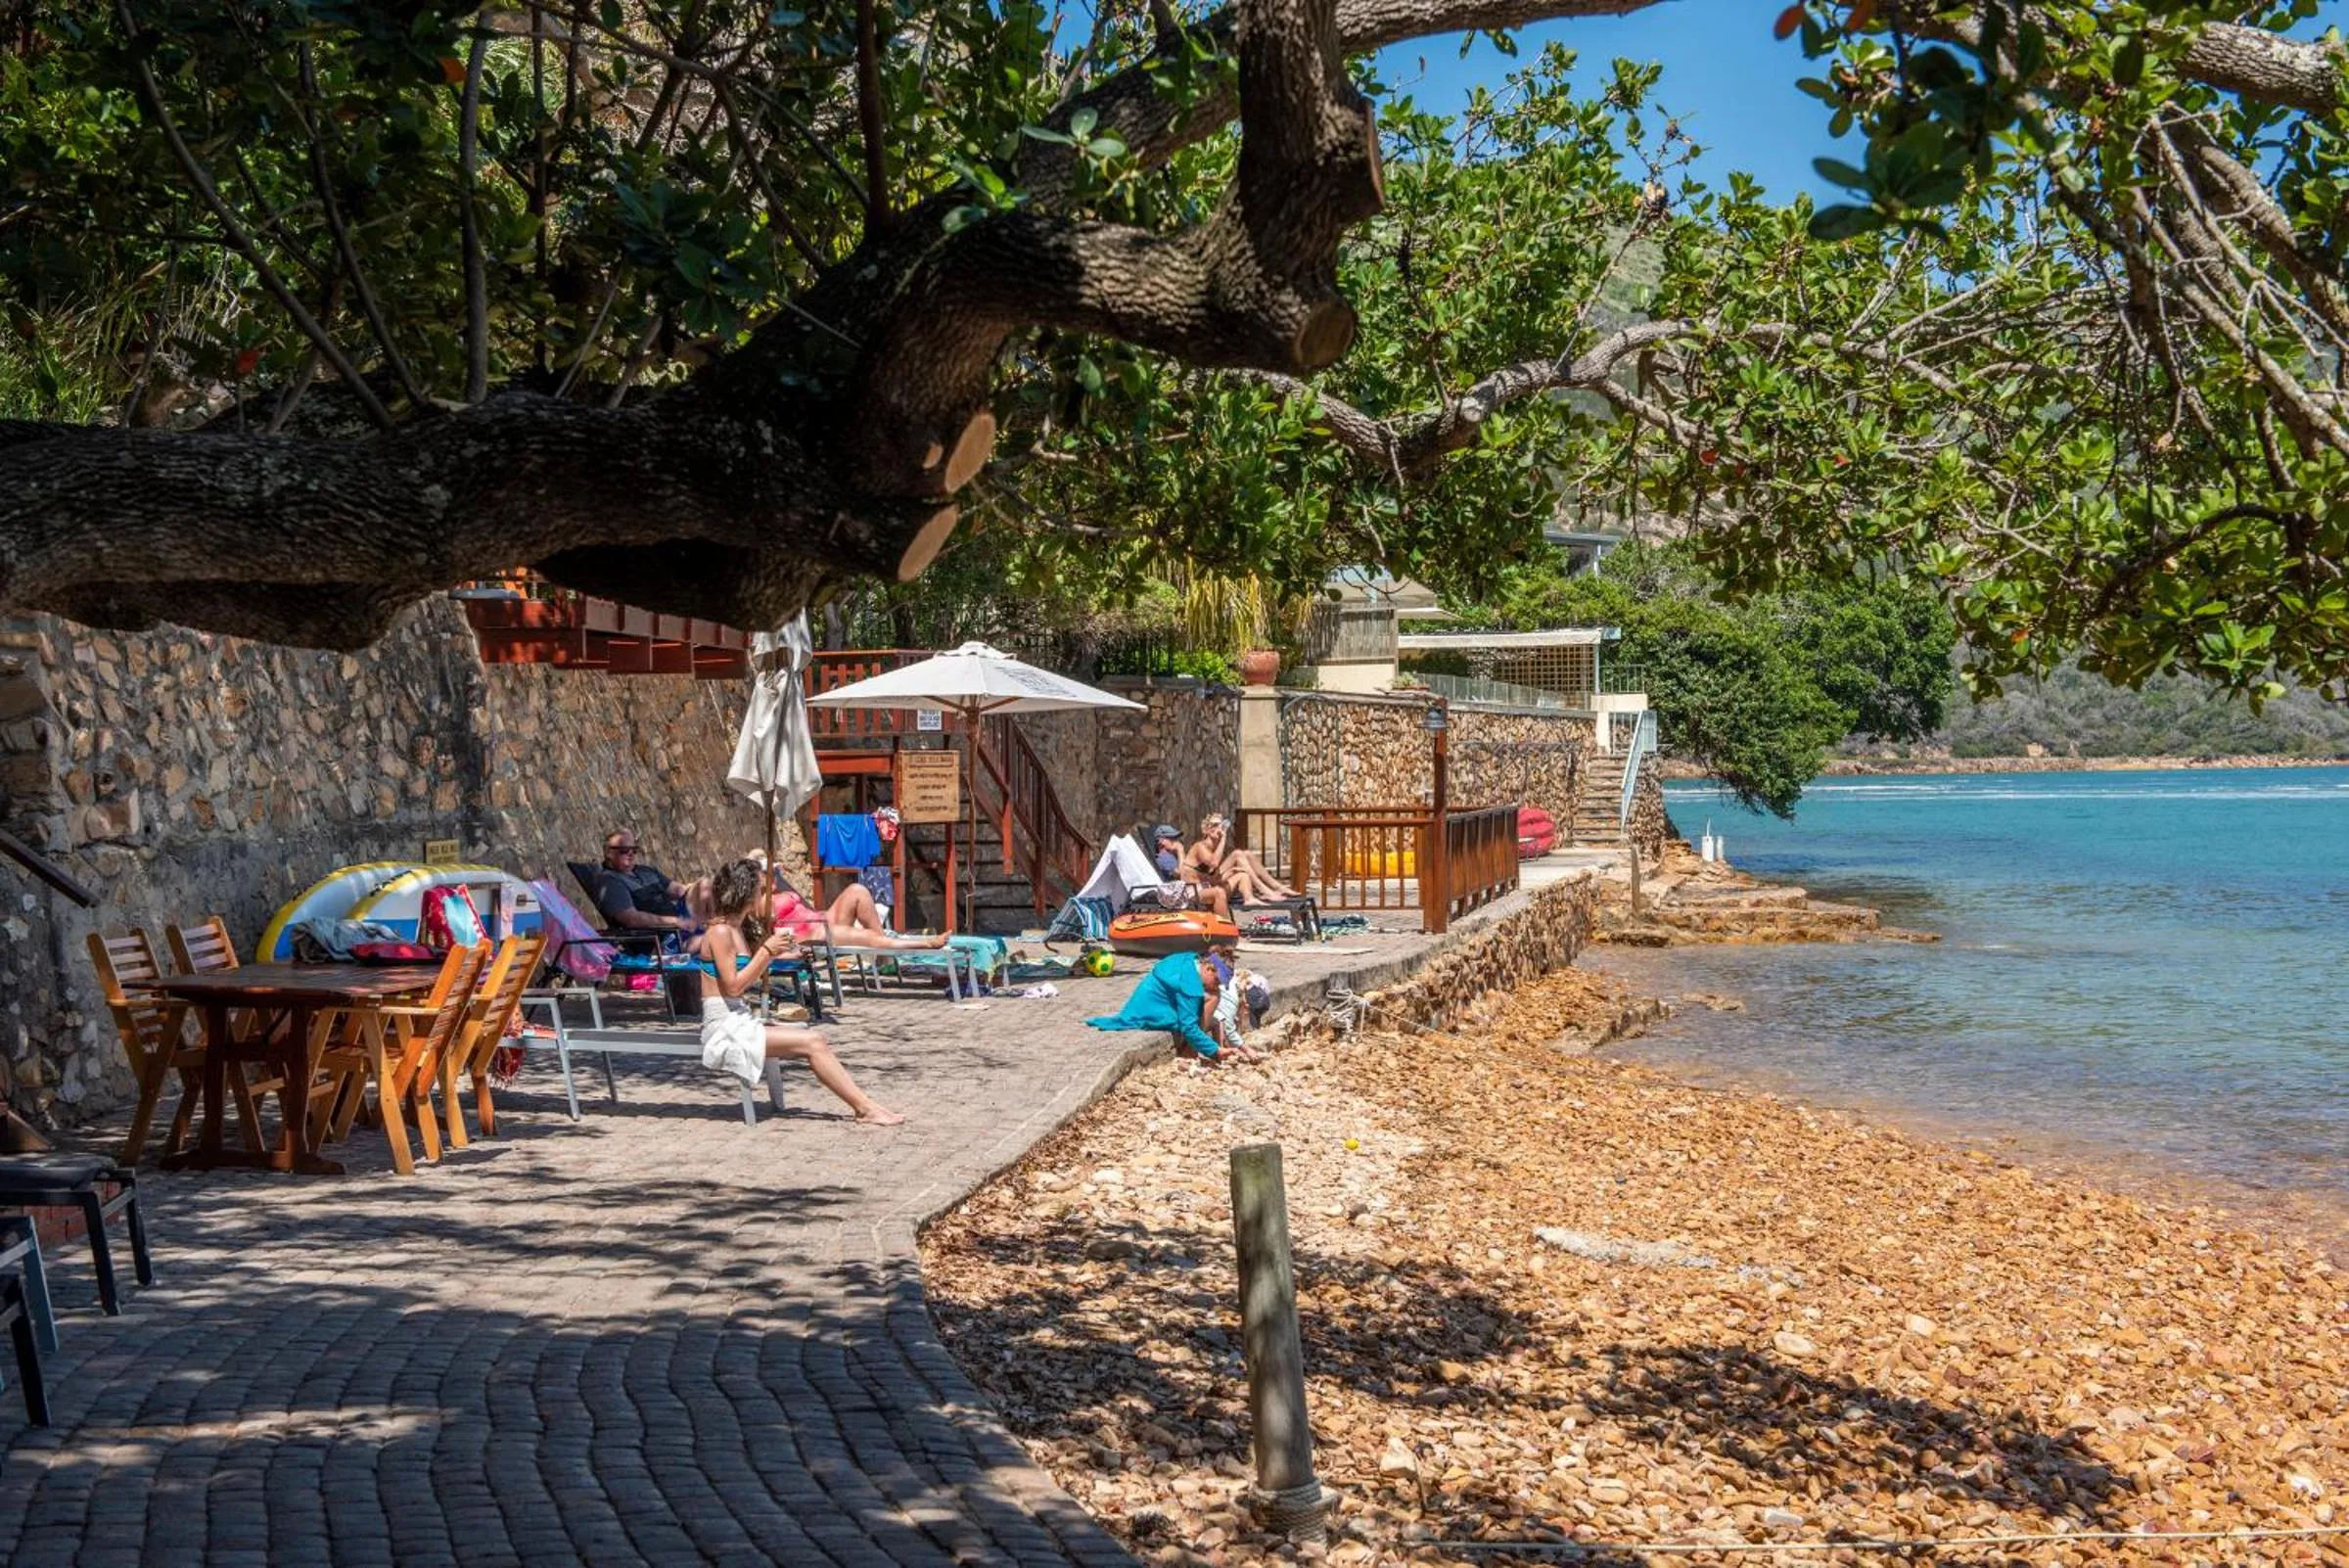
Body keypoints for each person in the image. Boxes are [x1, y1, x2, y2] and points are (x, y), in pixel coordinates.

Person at [699, 858, 904, 1125]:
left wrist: (780, 954)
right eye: (762, 891)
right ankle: (865, 1109)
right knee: (813, 1041)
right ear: (745, 893)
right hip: (723, 1027)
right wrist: (767, 951)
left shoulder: (737, 929)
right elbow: (734, 986)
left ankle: (866, 1105)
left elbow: (749, 973)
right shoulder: (720, 931)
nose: (766, 896)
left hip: (738, 1018)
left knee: (811, 1036)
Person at [755, 853, 946, 951]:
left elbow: (757, 853)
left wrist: (766, 865)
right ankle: (925, 944)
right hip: (811, 933)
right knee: (869, 937)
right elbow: (769, 921)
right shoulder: (757, 901)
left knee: (857, 890)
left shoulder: (777, 891)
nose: (772, 877)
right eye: (766, 875)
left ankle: (882, 943)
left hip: (822, 919)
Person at [1086, 947, 1225, 1065]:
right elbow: (1188, 1027)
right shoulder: (1189, 984)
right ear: (1208, 969)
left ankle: (1193, 1049)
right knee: (1213, 996)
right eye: (1217, 981)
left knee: (1211, 995)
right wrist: (1215, 1050)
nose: (1217, 985)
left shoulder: (1186, 960)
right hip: (1154, 1015)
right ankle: (1189, 1052)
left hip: (1139, 1008)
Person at [590, 830, 695, 936]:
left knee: (705, 887)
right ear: (609, 853)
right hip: (662, 938)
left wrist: (699, 887)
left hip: (682, 925)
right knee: (709, 938)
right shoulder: (610, 881)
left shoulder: (646, 871)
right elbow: (633, 919)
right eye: (624, 850)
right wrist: (675, 922)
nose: (631, 853)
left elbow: (678, 890)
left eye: (634, 849)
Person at [1186, 812, 1298, 903]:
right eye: (1214, 825)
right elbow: (1214, 864)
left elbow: (1213, 877)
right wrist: (1223, 839)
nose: (1219, 828)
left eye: (1221, 825)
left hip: (1209, 884)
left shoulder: (1215, 848)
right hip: (1197, 891)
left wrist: (1230, 871)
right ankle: (1264, 890)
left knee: (1246, 855)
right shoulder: (1199, 847)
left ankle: (1276, 887)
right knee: (1238, 854)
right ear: (1207, 830)